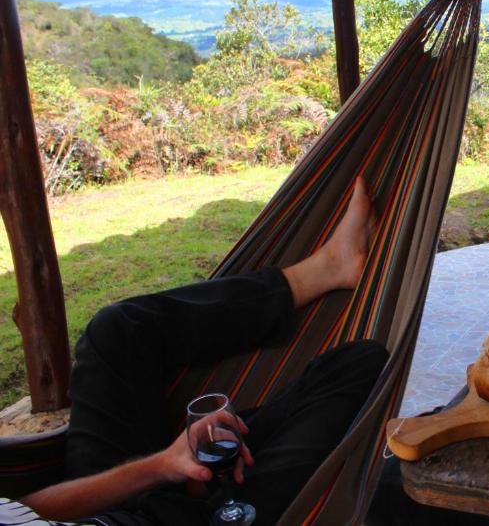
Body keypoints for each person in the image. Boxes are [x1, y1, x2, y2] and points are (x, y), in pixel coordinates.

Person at [11, 178, 385, 526]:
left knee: (118, 331)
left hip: (94, 505)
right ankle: (211, 487)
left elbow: (28, 512)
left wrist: (162, 467)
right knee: (360, 364)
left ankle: (326, 268)